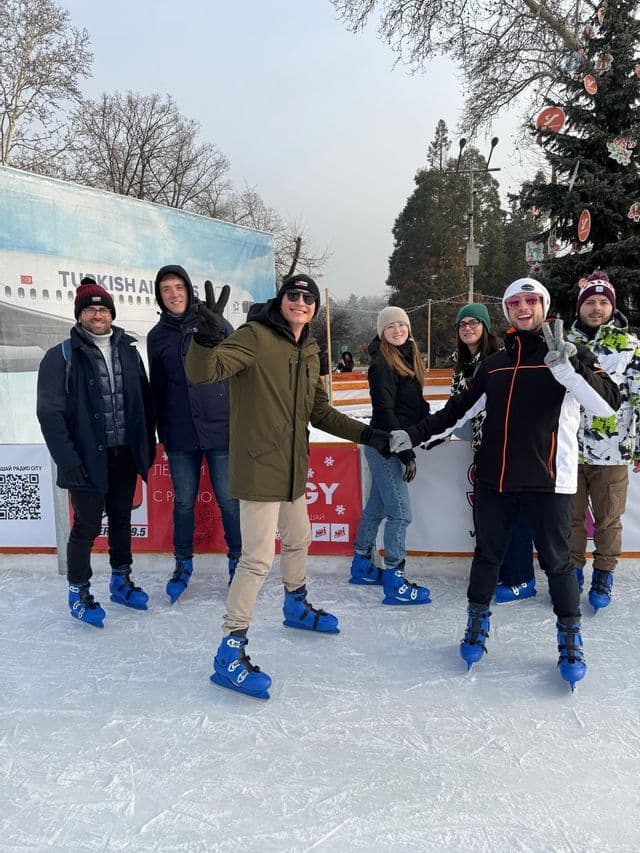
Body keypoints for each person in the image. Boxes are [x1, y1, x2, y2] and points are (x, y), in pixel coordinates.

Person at [390, 278, 620, 690]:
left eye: (531, 300)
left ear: (544, 306)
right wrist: (415, 433)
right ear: (507, 311)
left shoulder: (567, 355)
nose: (523, 307)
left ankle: (570, 638)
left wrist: (568, 366)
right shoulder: (493, 365)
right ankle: (476, 626)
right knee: (487, 557)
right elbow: (456, 411)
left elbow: (606, 404)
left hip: (549, 480)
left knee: (557, 562)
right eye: (515, 301)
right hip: (496, 479)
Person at [184, 273, 389, 700]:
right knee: (257, 559)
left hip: (293, 468)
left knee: (299, 538)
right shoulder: (255, 336)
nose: (300, 301)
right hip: (259, 468)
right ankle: (229, 649)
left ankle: (295, 604)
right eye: (293, 295)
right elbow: (207, 373)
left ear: (315, 307)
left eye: (308, 297)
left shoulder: (309, 348)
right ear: (281, 301)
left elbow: (319, 411)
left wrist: (371, 435)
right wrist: (204, 340)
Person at [36, 278, 156, 628]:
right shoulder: (59, 357)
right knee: (86, 527)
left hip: (124, 455)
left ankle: (121, 580)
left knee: (121, 519)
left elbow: (143, 404)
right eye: (90, 309)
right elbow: (49, 414)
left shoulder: (129, 351)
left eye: (103, 309)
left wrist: (144, 448)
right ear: (79, 316)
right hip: (86, 458)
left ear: (111, 313)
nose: (97, 314)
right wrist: (68, 461)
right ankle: (79, 590)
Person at [147, 265, 242, 603]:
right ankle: (183, 563)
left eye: (178, 287)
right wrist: (159, 432)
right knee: (184, 501)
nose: (173, 294)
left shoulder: (213, 320)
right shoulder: (157, 336)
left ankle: (238, 563)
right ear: (160, 296)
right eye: (166, 289)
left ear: (188, 289)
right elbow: (156, 388)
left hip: (220, 428)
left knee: (229, 501)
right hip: (180, 432)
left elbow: (238, 364)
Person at [451, 303, 536, 604]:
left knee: (516, 515)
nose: (468, 328)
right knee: (492, 519)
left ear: (486, 327)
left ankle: (522, 578)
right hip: (484, 450)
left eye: (474, 323)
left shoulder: (500, 359)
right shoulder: (461, 365)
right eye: (462, 324)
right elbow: (458, 411)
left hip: (511, 447)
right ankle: (500, 570)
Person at [567, 271, 640, 613]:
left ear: (612, 306)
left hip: (612, 449)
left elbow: (638, 396)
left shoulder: (628, 344)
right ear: (580, 307)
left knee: (609, 518)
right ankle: (571, 571)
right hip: (568, 449)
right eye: (590, 302)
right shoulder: (565, 343)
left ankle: (604, 572)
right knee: (571, 517)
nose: (596, 309)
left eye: (603, 302)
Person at [349, 306, 431, 605]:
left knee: (378, 506)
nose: (398, 330)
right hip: (386, 446)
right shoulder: (382, 363)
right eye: (390, 327)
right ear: (382, 333)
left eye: (402, 325)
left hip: (391, 444)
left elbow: (415, 405)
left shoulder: (408, 357)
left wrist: (431, 428)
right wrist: (406, 451)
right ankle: (395, 579)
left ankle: (361, 563)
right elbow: (385, 412)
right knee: (400, 513)